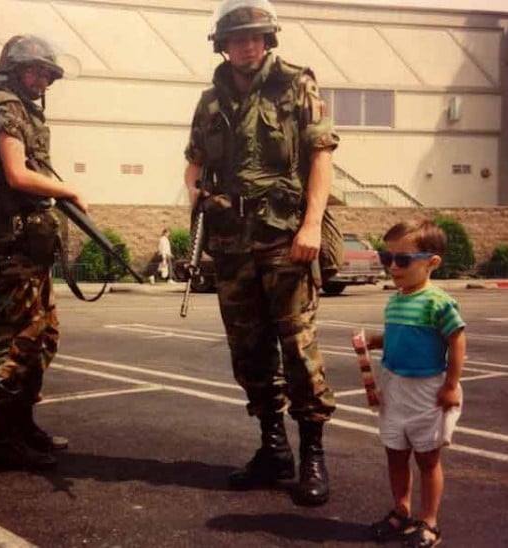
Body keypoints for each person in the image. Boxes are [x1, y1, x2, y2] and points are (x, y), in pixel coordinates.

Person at [183, 0, 340, 506]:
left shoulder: (297, 85)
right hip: (231, 243)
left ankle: (312, 454)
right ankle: (273, 449)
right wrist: (196, 194)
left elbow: (320, 157)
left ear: (268, 39)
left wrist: (311, 224)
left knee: (297, 348)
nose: (247, 45)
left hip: (284, 237)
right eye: (237, 38)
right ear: (221, 45)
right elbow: (194, 162)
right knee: (248, 353)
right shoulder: (209, 101)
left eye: (255, 36)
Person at [0, 35, 88, 471]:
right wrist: (68, 189)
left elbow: (1, 179)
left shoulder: (7, 105)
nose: (44, 80)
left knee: (39, 336)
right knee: (14, 340)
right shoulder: (7, 106)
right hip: (15, 244)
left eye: (48, 74)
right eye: (36, 71)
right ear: (16, 70)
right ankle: (3, 441)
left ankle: (22, 426)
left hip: (24, 242)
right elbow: (17, 174)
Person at [365, 220, 466, 547]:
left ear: (431, 263)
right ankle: (401, 511)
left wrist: (451, 384)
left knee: (427, 459)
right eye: (387, 258)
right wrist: (376, 340)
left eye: (403, 260)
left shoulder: (438, 302)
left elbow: (456, 340)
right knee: (395, 454)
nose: (393, 266)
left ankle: (430, 521)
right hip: (394, 389)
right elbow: (401, 335)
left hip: (426, 391)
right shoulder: (394, 300)